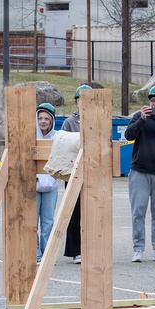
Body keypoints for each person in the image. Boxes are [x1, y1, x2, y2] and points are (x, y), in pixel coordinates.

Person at [124, 84, 155, 263]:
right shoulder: (140, 116)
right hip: (140, 171)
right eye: (152, 100)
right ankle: (138, 249)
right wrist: (142, 120)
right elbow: (128, 135)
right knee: (138, 212)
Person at [59, 85, 90, 263]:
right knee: (74, 212)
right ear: (76, 103)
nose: (83, 103)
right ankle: (75, 250)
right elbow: (63, 146)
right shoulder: (69, 122)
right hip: (73, 172)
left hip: (93, 173)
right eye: (80, 100)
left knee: (92, 213)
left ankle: (91, 248)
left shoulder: (98, 119)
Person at [35, 103, 58, 264]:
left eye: (46, 119)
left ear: (51, 121)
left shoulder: (57, 137)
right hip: (34, 185)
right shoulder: (31, 135)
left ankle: (47, 253)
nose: (43, 122)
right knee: (32, 221)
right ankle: (35, 253)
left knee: (48, 222)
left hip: (51, 185)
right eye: (40, 118)